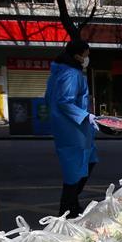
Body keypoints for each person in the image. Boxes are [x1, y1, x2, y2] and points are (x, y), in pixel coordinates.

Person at [44, 39, 98, 217]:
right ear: (77, 55)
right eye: (86, 54)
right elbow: (64, 102)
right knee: (75, 173)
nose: (87, 58)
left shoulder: (58, 73)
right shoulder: (72, 74)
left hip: (68, 128)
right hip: (74, 129)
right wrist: (86, 116)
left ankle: (73, 208)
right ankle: (66, 214)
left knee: (86, 164)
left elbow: (49, 99)